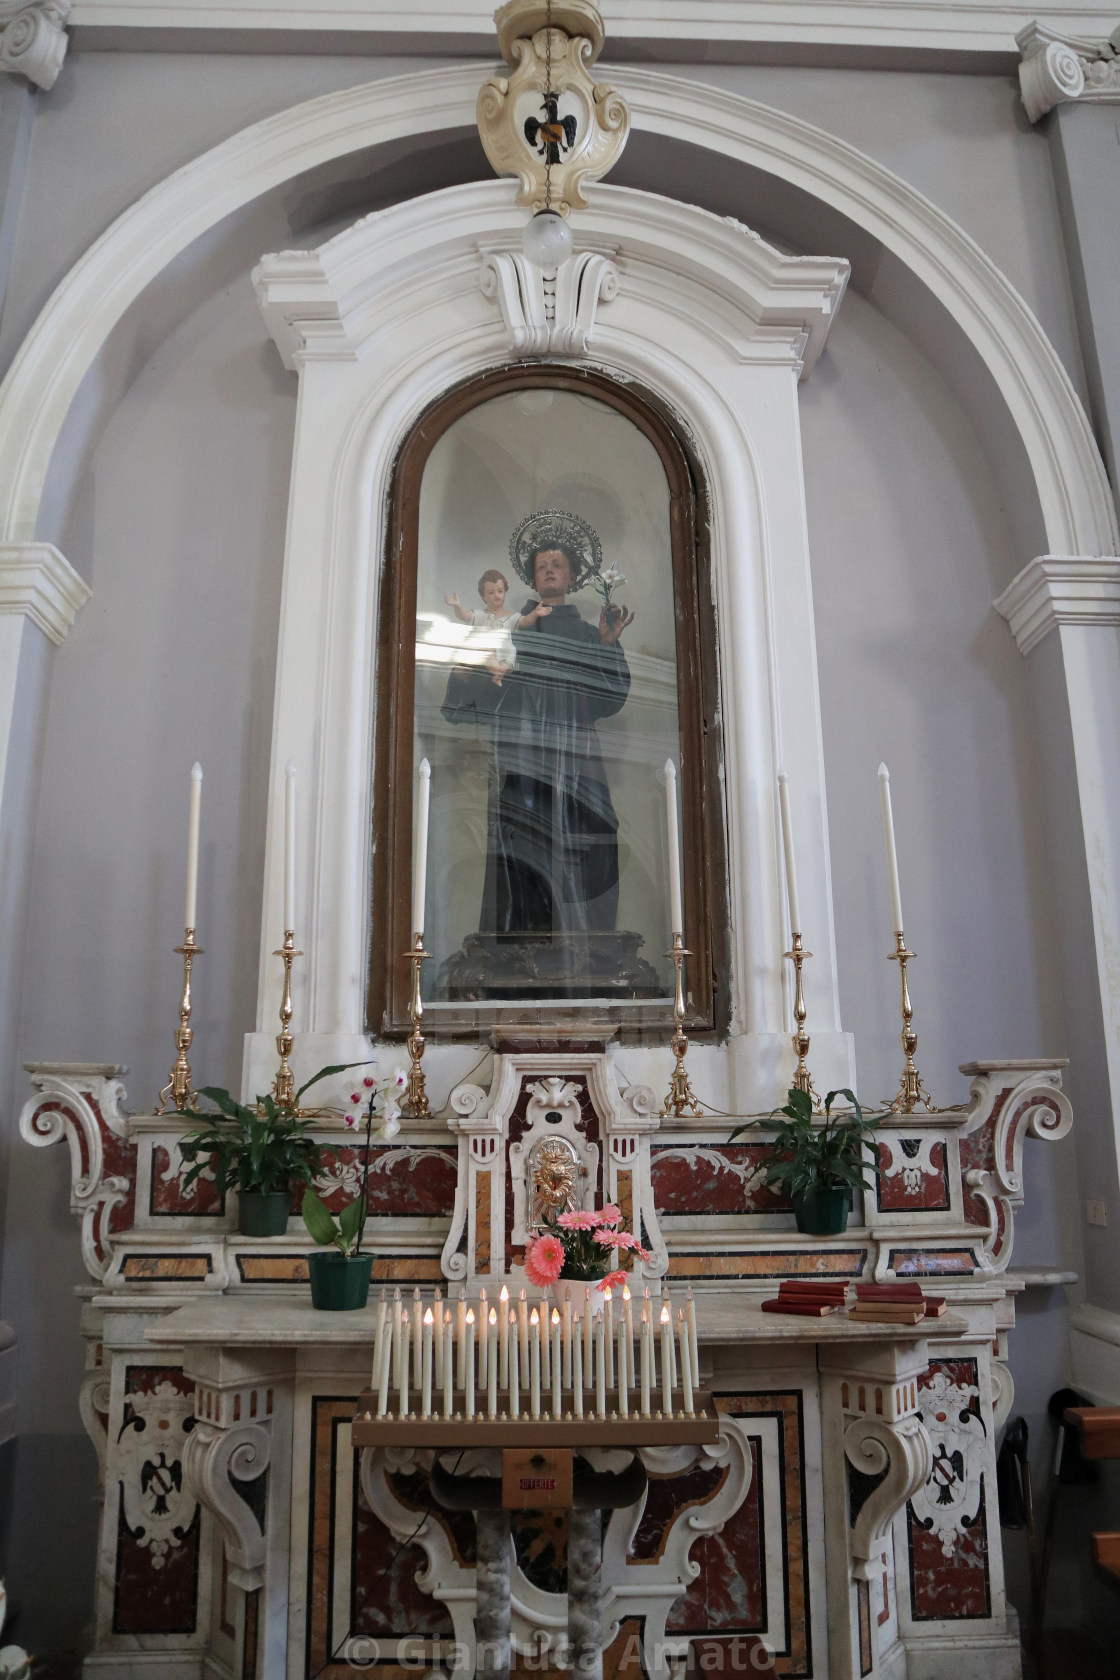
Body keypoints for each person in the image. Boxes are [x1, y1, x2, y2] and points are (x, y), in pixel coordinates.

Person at [440, 510, 635, 943]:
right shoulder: (510, 627)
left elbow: (609, 700)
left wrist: (607, 646)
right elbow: (474, 694)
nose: (549, 571)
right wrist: (468, 672)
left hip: (577, 757)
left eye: (558, 565)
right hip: (523, 754)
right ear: (531, 576)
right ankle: (520, 948)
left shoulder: (588, 634)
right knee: (522, 844)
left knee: (596, 834)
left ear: (572, 576)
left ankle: (588, 947)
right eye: (542, 566)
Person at [444, 568, 551, 685]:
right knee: (486, 652)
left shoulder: (511, 616)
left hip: (505, 650)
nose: (496, 595)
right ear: (484, 596)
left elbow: (525, 622)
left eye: (500, 591)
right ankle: (497, 672)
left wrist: (535, 613)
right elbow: (465, 616)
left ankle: (500, 672)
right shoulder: (482, 615)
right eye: (491, 592)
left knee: (510, 654)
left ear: (505, 592)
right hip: (488, 652)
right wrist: (457, 606)